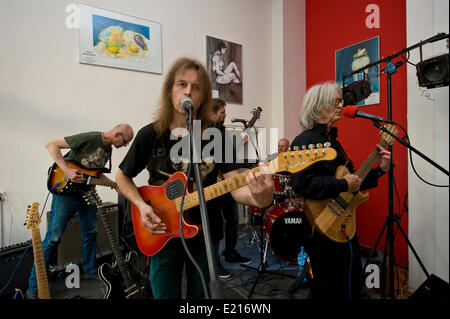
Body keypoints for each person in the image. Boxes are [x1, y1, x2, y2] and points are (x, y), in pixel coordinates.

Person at [115, 57, 273, 299]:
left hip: (204, 234)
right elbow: (122, 177)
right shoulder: (151, 133)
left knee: (202, 298)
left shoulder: (216, 134)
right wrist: (140, 206)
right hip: (161, 232)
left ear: (203, 96)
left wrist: (261, 197)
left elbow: (235, 185)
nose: (188, 90)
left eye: (196, 87)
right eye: (181, 84)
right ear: (170, 90)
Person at [289, 81, 391, 299]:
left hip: (342, 223)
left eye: (340, 101)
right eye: (335, 102)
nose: (341, 105)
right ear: (318, 108)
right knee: (326, 287)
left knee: (350, 279)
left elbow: (355, 180)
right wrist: (342, 184)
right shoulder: (304, 141)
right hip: (320, 227)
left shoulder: (334, 143)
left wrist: (380, 171)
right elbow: (300, 183)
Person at [26, 124, 134, 299]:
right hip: (66, 195)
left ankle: (90, 272)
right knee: (53, 239)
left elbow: (94, 174)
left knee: (91, 233)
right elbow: (51, 145)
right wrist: (67, 170)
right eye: (125, 142)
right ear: (117, 134)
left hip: (86, 195)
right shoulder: (90, 138)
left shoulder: (108, 150)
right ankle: (34, 286)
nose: (124, 146)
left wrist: (114, 186)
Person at [210, 98, 252, 275]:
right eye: (222, 112)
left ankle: (230, 252)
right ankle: (214, 262)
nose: (225, 115)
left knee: (233, 218)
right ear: (212, 113)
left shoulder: (221, 131)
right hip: (213, 186)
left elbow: (228, 157)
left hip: (227, 183)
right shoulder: (206, 131)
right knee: (215, 223)